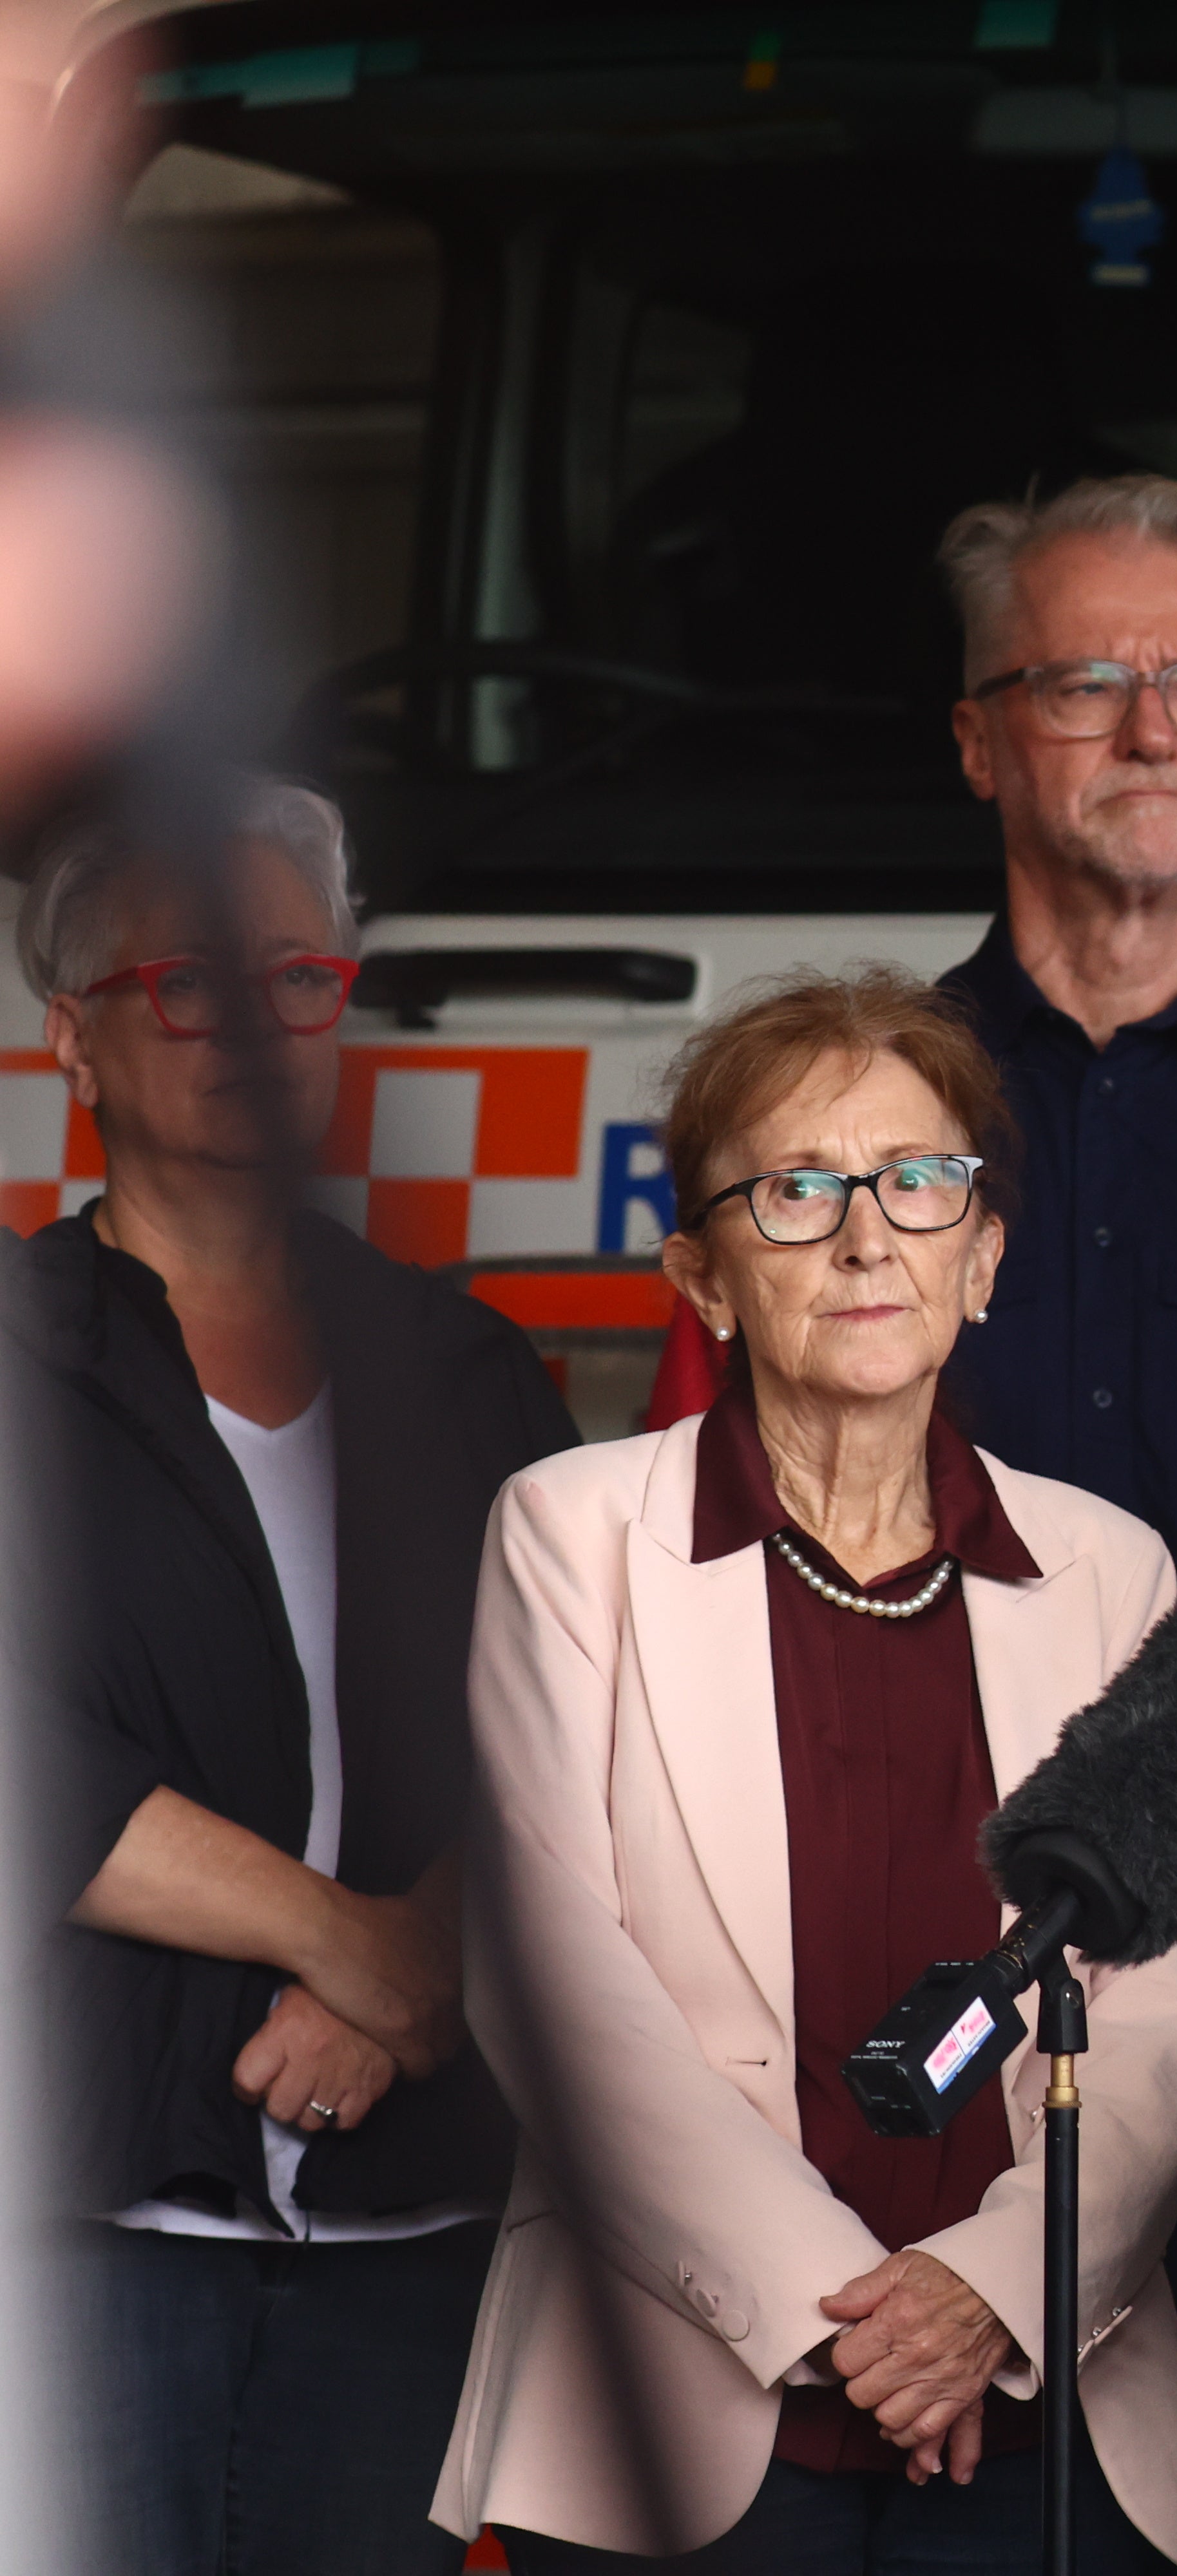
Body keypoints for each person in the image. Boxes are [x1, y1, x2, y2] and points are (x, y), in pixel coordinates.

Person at [641, 474, 1177, 2576]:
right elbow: (695, 1587)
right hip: (902, 2020)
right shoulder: (818, 1129)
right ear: (975, 738)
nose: (1152, 725)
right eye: (1086, 679)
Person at [435, 970, 1177, 2575]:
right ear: (706, 1278)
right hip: (669, 2387)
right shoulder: (569, 1533)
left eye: (918, 1181)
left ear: (985, 1254)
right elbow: (551, 1975)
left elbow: (1163, 2011)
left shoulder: (1115, 1571)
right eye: (796, 1189)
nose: (868, 1236)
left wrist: (986, 2298)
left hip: (1039, 2390)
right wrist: (848, 2320)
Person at [6, 781, 571, 2574]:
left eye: (301, 978)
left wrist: (420, 1974)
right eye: (188, 981)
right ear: (74, 1033)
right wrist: (349, 1939)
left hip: (410, 2232)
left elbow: (577, 1736)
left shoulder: (467, 1369)